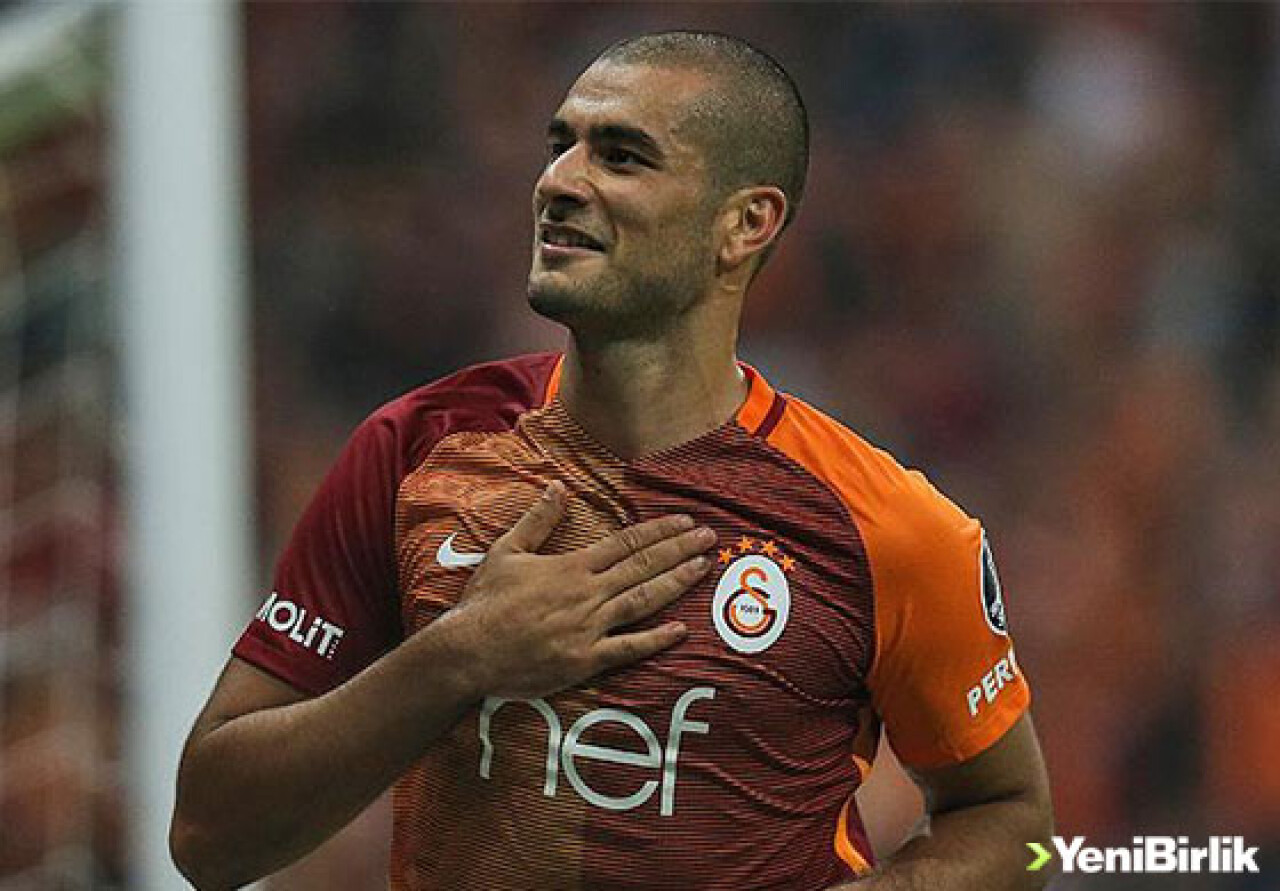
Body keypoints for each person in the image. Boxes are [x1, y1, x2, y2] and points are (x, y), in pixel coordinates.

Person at [171, 30, 1054, 890]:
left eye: (621, 157)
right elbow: (207, 839)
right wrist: (454, 659)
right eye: (560, 146)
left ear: (745, 223)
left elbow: (1017, 825)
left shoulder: (885, 527)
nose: (559, 181)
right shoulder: (416, 452)